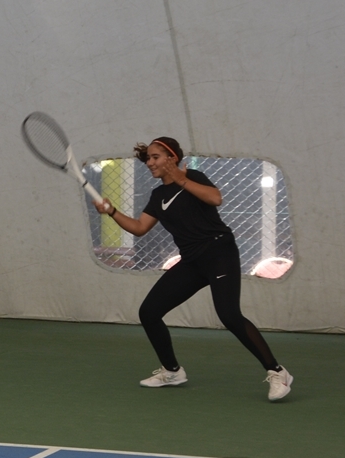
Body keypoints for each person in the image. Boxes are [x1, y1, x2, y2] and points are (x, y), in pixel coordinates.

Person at [98, 138, 291, 400]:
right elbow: (140, 228)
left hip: (219, 253)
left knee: (229, 315)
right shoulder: (158, 196)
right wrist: (112, 211)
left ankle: (277, 372)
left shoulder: (193, 177)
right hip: (191, 261)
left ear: (172, 158)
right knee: (149, 312)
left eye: (155, 157)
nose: (150, 163)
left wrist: (181, 179)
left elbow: (216, 198)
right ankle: (172, 371)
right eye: (148, 159)